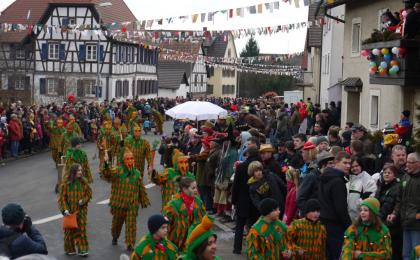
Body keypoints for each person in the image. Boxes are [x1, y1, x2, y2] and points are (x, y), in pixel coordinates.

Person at [100, 148, 150, 250]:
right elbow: (107, 173)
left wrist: (143, 200)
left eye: (132, 158)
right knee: (117, 224)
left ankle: (130, 244)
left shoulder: (136, 173)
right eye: (128, 159)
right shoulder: (118, 171)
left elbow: (140, 187)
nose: (130, 161)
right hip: (119, 203)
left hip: (132, 204)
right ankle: (115, 236)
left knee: (131, 224)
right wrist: (106, 163)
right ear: (123, 161)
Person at [318, 151, 352, 260]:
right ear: (336, 163)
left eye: (349, 163)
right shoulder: (338, 181)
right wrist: (349, 225)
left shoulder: (325, 177)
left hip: (323, 222)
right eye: (345, 163)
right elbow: (340, 208)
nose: (348, 166)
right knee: (336, 255)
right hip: (335, 225)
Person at [388, 152, 420, 259]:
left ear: (418, 164)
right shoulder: (405, 177)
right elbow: (399, 199)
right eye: (407, 162)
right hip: (405, 222)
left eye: (411, 162)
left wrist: (418, 215)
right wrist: (394, 213)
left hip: (417, 224)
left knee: (417, 254)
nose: (407, 165)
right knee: (406, 255)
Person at [162, 177, 206, 252]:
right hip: (175, 245)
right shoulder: (173, 204)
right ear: (184, 189)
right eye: (193, 188)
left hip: (192, 244)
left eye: (196, 187)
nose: (196, 190)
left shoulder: (199, 203)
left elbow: (203, 223)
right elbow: (165, 225)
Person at [58, 163, 92, 256]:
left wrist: (83, 200)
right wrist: (65, 210)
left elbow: (89, 194)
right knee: (69, 232)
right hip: (70, 213)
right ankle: (70, 249)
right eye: (78, 170)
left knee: (81, 230)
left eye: (81, 170)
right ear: (73, 172)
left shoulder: (84, 182)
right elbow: (62, 199)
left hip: (81, 211)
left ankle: (83, 249)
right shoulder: (66, 184)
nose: (80, 172)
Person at [232, 147, 261, 254]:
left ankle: (237, 248)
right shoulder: (260, 167)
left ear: (248, 154)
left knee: (240, 225)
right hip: (255, 201)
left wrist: (234, 200)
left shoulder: (241, 166)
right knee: (255, 226)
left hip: (242, 200)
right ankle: (253, 248)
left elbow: (236, 185)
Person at [375, 164, 402, 260]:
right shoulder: (380, 186)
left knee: (393, 249)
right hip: (380, 221)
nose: (386, 175)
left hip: (391, 223)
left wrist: (392, 214)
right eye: (385, 173)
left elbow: (394, 203)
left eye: (389, 173)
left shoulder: (397, 187)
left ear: (394, 175)